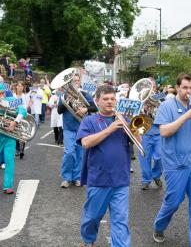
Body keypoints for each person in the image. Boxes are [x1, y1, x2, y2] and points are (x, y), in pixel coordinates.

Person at [152, 73, 191, 246]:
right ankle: (159, 226)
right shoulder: (166, 106)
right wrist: (186, 116)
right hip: (175, 164)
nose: (188, 91)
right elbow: (164, 132)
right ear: (177, 88)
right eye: (185, 88)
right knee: (174, 202)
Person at [77, 85, 132, 247]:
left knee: (120, 222)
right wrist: (110, 128)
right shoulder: (89, 120)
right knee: (92, 218)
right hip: (99, 178)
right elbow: (86, 143)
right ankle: (88, 240)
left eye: (112, 99)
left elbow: (140, 144)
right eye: (106, 99)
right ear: (97, 101)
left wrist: (131, 127)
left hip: (121, 179)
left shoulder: (124, 120)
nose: (110, 102)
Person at [57, 73, 97, 188]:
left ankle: (77, 177)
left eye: (76, 81)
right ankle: (66, 178)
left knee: (80, 154)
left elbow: (95, 107)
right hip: (69, 129)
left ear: (79, 82)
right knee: (69, 153)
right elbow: (59, 111)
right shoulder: (64, 95)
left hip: (82, 129)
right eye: (72, 81)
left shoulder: (84, 94)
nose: (74, 83)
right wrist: (67, 101)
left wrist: (85, 109)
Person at [0, 83, 27, 194]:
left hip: (9, 136)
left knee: (9, 160)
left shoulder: (11, 99)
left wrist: (15, 121)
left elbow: (23, 111)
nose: (1, 96)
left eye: (2, 93)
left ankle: (8, 186)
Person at [138, 78, 163, 190]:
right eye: (148, 86)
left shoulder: (161, 97)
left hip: (159, 133)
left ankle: (156, 175)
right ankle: (146, 180)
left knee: (160, 156)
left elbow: (166, 112)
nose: (150, 89)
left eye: (152, 86)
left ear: (155, 87)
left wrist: (156, 107)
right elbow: (134, 115)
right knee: (144, 157)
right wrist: (142, 107)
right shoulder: (140, 98)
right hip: (144, 133)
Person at [14, 81, 30, 159]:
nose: (20, 87)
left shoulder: (25, 96)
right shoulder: (13, 95)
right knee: (16, 133)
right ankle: (17, 149)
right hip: (14, 116)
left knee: (23, 134)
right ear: (16, 87)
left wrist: (24, 113)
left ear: (23, 88)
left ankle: (22, 150)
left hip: (22, 116)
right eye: (18, 86)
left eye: (21, 86)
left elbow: (26, 107)